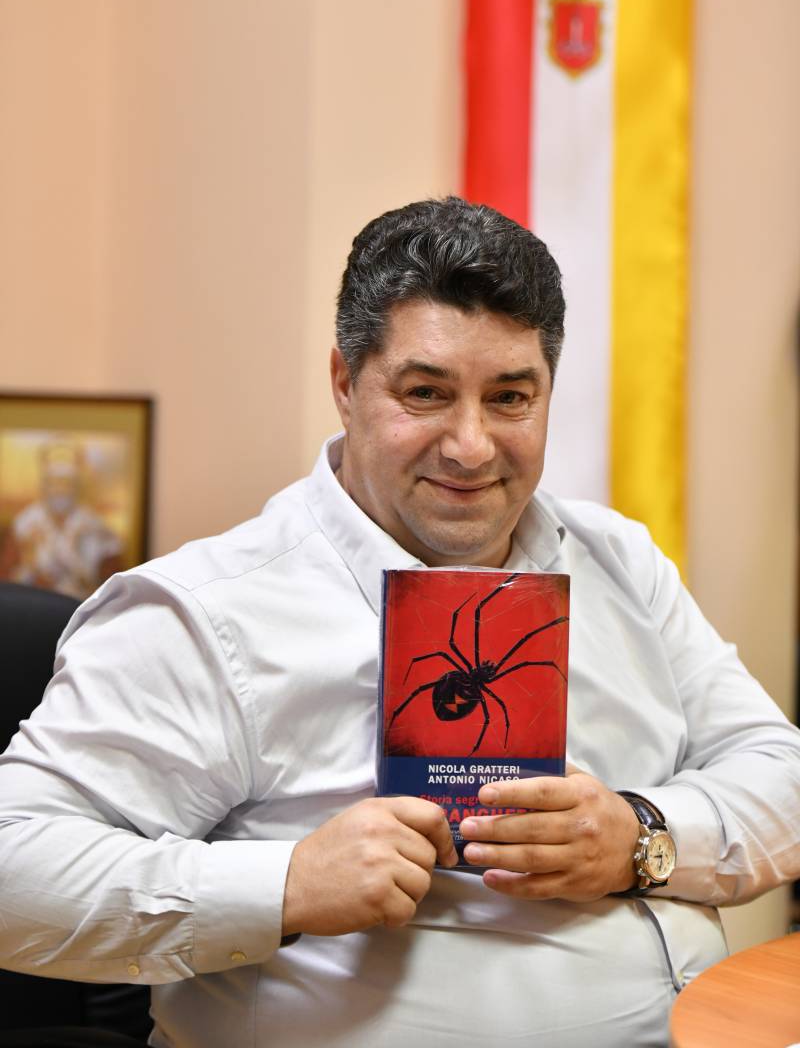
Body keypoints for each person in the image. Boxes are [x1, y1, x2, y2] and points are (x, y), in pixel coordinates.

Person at [1, 196, 799, 1048]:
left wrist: (641, 836)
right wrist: (285, 886)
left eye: (510, 397)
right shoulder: (203, 610)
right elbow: (15, 866)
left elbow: (781, 774)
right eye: (425, 394)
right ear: (345, 384)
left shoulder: (619, 559)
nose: (471, 446)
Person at [0, 442, 123, 600]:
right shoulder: (24, 523)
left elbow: (113, 585)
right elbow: (7, 576)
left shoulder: (96, 526)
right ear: (44, 485)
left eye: (66, 484)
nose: (60, 490)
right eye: (54, 483)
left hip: (80, 606)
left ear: (77, 486)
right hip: (34, 605)